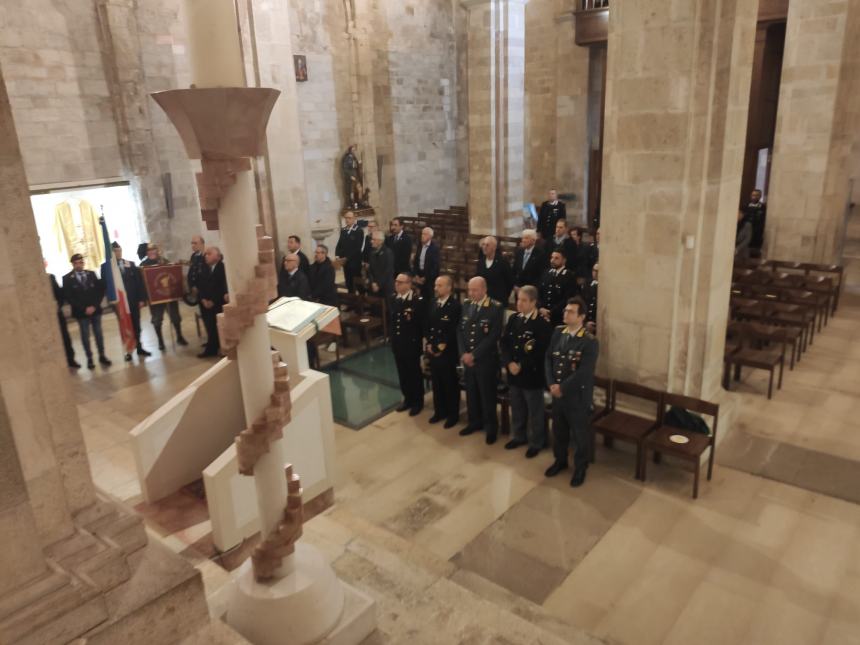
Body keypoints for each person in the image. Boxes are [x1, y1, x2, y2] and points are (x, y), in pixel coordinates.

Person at [544, 297, 599, 487]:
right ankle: (560, 460)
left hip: (576, 397)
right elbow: (548, 358)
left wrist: (562, 387)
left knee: (579, 435)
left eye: (570, 312)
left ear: (582, 317)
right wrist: (551, 383)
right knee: (559, 431)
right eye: (565, 310)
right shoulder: (558, 332)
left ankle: (580, 467)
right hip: (557, 394)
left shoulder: (589, 342)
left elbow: (584, 372)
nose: (565, 314)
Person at [501, 286, 552, 458]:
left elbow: (540, 352)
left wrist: (521, 365)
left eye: (523, 300)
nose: (519, 303)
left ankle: (537, 441)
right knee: (517, 407)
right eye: (518, 299)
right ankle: (519, 436)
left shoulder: (541, 324)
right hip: (513, 373)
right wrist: (508, 363)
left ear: (533, 302)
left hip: (531, 374)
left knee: (534, 410)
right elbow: (505, 343)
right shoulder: (514, 319)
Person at [457, 277, 504, 444]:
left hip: (485, 360)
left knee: (487, 395)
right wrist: (463, 353)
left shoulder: (495, 308)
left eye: (474, 290)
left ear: (484, 290)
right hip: (468, 360)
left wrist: (474, 355)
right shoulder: (467, 305)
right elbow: (460, 330)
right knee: (471, 393)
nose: (471, 293)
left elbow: (493, 336)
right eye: (469, 290)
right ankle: (474, 422)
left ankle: (491, 428)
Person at [102, 242, 151, 361]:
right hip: (120, 303)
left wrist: (141, 299)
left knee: (136, 324)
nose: (118, 253)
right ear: (111, 253)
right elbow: (105, 285)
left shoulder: (130, 264)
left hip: (133, 300)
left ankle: (139, 346)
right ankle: (128, 351)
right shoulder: (107, 267)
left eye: (119, 250)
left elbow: (139, 283)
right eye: (115, 251)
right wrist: (112, 300)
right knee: (125, 326)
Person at [62, 253, 111, 369]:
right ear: (73, 264)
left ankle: (102, 355)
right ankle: (89, 358)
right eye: (76, 263)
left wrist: (94, 306)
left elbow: (99, 292)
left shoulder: (92, 274)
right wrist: (84, 308)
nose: (79, 265)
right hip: (81, 313)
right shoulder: (67, 279)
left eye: (81, 262)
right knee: (85, 336)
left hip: (95, 310)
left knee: (98, 334)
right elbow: (69, 298)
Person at [425, 275, 462, 428]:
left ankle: (453, 415)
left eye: (439, 285)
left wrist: (439, 347)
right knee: (437, 383)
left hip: (447, 352)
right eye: (435, 285)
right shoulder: (433, 303)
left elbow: (453, 331)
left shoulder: (455, 306)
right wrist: (429, 343)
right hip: (433, 350)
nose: (435, 288)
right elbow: (428, 325)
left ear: (449, 288)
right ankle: (439, 411)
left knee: (450, 384)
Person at [140, 243, 188, 350]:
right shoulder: (143, 265)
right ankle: (160, 341)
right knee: (157, 320)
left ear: (157, 251)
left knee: (175, 317)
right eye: (149, 250)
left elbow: (172, 273)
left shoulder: (164, 261)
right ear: (147, 253)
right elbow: (142, 283)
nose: (152, 252)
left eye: (154, 250)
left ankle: (179, 337)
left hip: (168, 295)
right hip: (155, 298)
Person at [390, 273, 425, 416]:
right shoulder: (394, 299)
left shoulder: (417, 301)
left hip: (411, 345)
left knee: (414, 374)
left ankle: (418, 402)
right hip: (398, 345)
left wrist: (421, 344)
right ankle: (408, 399)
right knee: (403, 373)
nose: (397, 284)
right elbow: (393, 322)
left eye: (400, 282)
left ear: (409, 284)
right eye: (396, 281)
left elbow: (421, 325)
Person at [197, 246, 228, 358]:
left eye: (209, 254)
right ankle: (211, 348)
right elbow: (200, 285)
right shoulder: (204, 268)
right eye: (205, 254)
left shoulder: (223, 268)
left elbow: (222, 288)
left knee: (218, 327)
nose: (206, 256)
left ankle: (221, 347)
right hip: (205, 303)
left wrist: (213, 301)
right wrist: (203, 299)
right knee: (210, 327)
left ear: (218, 257)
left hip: (218, 303)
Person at [538, 249, 576, 326]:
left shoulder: (569, 276)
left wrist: (551, 312)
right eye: (552, 257)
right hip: (542, 314)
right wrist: (541, 308)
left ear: (564, 260)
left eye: (556, 258)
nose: (552, 260)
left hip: (558, 317)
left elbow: (567, 298)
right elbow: (540, 292)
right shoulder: (546, 273)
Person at [50, 270, 79, 368]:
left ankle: (71, 360)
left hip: (57, 313)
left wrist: (58, 304)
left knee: (65, 337)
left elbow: (60, 295)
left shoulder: (50, 277)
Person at [475, 236, 514, 306]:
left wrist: (504, 295)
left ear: (494, 247)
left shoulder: (502, 262)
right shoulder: (481, 262)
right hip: (484, 300)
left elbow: (510, 282)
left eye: (487, 245)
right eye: (483, 244)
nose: (484, 247)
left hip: (499, 300)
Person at [335, 211, 367, 293]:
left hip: (355, 262)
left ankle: (362, 301)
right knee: (349, 282)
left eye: (349, 218)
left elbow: (357, 248)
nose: (347, 220)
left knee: (357, 283)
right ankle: (352, 300)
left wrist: (347, 258)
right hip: (345, 263)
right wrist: (337, 255)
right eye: (346, 218)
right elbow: (339, 244)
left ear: (354, 219)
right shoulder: (343, 230)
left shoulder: (358, 231)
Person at [412, 227, 440, 300]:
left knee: (428, 299)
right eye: (422, 234)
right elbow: (415, 262)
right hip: (419, 275)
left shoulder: (434, 249)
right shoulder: (419, 246)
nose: (422, 235)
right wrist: (416, 275)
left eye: (425, 234)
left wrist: (425, 278)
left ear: (430, 236)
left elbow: (435, 267)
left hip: (429, 278)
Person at [367, 231, 394, 298]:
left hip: (385, 287)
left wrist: (378, 284)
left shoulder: (388, 253)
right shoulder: (372, 253)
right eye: (371, 239)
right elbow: (370, 270)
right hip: (374, 286)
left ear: (380, 241)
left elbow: (387, 271)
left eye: (374, 239)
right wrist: (373, 282)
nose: (371, 241)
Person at [744, 189, 767, 256]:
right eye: (753, 195)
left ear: (760, 196)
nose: (754, 197)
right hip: (746, 230)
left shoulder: (763, 207)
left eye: (756, 195)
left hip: (757, 232)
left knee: (755, 250)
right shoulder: (746, 206)